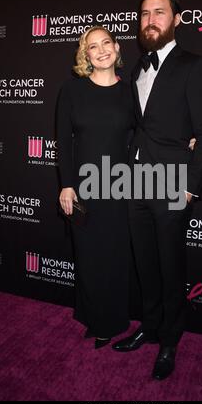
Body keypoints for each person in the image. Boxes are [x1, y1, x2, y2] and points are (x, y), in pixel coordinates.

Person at [112, 0, 202, 380]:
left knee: (171, 266)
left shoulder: (194, 65)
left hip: (173, 182)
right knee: (146, 263)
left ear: (177, 19)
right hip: (134, 179)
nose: (150, 19)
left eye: (159, 12)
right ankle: (150, 326)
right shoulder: (138, 66)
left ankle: (171, 339)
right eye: (144, 14)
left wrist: (190, 185)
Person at [56, 26, 135, 349]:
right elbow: (63, 141)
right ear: (85, 55)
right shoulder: (72, 91)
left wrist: (186, 139)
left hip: (120, 189)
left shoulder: (133, 92)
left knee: (115, 258)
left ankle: (111, 323)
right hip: (83, 190)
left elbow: (151, 132)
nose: (101, 50)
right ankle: (93, 315)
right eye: (93, 47)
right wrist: (67, 186)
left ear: (116, 48)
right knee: (87, 257)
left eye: (106, 43)